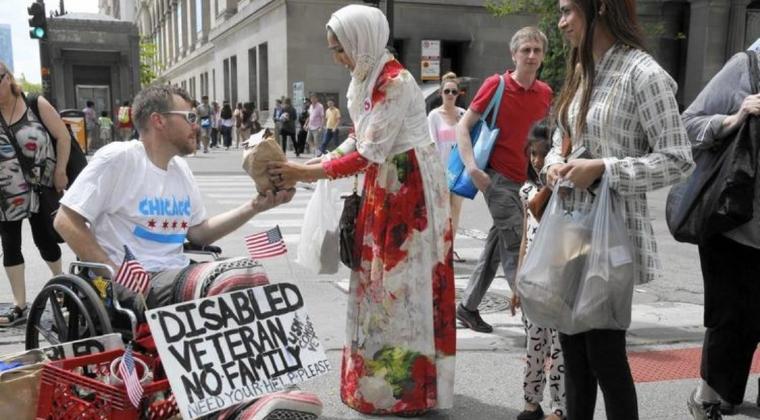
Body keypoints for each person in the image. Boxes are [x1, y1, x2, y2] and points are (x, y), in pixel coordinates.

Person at [267, 4, 455, 416]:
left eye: (340, 48)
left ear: (361, 41)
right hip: (388, 184)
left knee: (400, 288)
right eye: (334, 49)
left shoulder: (395, 82)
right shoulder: (368, 79)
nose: (338, 58)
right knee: (378, 285)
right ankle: (379, 383)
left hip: (408, 189)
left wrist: (307, 172)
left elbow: (369, 152)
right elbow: (358, 138)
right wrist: (316, 163)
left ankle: (403, 389)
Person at [542, 1, 694, 418]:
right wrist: (554, 163)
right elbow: (562, 137)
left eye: (569, 9)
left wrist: (605, 169)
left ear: (601, 7)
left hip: (612, 235)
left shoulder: (643, 74)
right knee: (572, 351)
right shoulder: (581, 70)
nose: (561, 22)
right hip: (569, 230)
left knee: (605, 355)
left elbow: (678, 158)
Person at [54, 84, 294, 310]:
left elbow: (198, 232)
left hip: (175, 273)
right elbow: (65, 220)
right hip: (135, 280)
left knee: (254, 278)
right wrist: (113, 272)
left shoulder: (180, 168)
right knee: (236, 276)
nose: (197, 125)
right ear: (158, 120)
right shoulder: (119, 158)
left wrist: (255, 206)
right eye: (189, 118)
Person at [455, 26, 553, 334]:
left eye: (537, 50)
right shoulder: (496, 85)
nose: (531, 55)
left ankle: (467, 307)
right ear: (514, 54)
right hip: (495, 178)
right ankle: (535, 320)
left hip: (526, 182)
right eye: (526, 49)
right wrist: (472, 168)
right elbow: (463, 125)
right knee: (516, 246)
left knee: (499, 242)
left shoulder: (545, 93)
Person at [681, 47, 760, 419]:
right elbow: (688, 122)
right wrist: (738, 115)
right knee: (729, 316)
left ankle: (732, 394)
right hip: (733, 223)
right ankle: (707, 397)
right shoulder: (745, 66)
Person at [0, 61, 70, 326]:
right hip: (6, 192)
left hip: (40, 186)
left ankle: (62, 286)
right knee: (10, 245)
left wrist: (61, 170)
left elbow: (62, 136)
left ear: (8, 77)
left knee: (46, 240)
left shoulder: (34, 102)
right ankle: (19, 305)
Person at [513, 123, 565, 420]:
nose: (536, 159)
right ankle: (531, 403)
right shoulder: (527, 189)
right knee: (534, 346)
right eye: (532, 153)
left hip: (557, 280)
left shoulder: (561, 191)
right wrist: (517, 283)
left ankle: (561, 406)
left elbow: (540, 210)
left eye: (543, 154)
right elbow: (524, 235)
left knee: (559, 349)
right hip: (533, 281)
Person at [427, 72, 466, 262]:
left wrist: (461, 126)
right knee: (441, 210)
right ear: (440, 93)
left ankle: (451, 246)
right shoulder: (434, 116)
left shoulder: (463, 115)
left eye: (454, 91)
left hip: (458, 169)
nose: (450, 94)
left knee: (456, 209)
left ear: (458, 94)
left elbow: (469, 141)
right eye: (447, 91)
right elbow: (431, 143)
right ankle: (439, 246)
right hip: (441, 169)